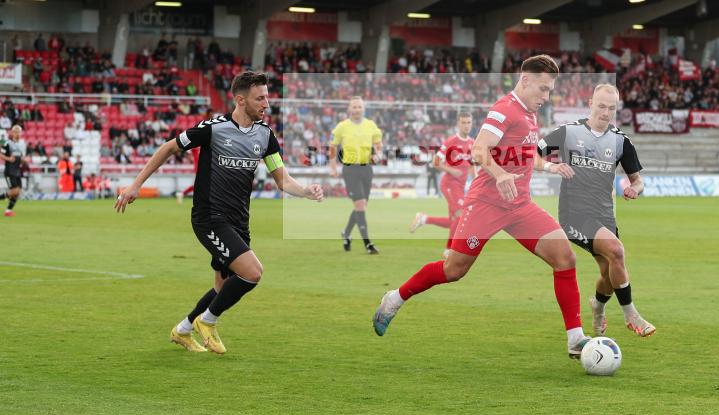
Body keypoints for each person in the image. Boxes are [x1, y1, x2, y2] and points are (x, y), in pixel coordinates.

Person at [373, 55, 592, 360]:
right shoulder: (504, 109)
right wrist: (500, 173)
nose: (546, 97)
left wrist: (551, 168)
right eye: (542, 89)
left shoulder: (530, 115)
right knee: (453, 270)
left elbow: (525, 157)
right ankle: (395, 298)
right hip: (486, 204)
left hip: (519, 206)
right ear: (525, 80)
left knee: (565, 257)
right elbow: (479, 149)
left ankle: (575, 338)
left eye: (549, 91)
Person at [115, 71, 324, 354]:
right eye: (259, 98)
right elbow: (168, 148)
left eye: (267, 96)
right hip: (209, 218)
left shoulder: (265, 135)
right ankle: (208, 321)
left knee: (222, 286)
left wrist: (306, 192)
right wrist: (135, 186)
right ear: (240, 100)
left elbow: (283, 180)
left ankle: (183, 329)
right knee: (252, 272)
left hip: (239, 221)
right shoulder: (213, 129)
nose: (266, 103)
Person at [536, 83, 656, 338]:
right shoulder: (568, 132)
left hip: (604, 216)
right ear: (590, 103)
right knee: (616, 251)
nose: (605, 112)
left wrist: (635, 188)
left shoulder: (621, 141)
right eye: (601, 106)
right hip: (574, 214)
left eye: (611, 108)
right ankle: (631, 314)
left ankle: (598, 306)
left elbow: (637, 179)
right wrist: (552, 167)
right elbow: (532, 155)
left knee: (609, 273)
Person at [409, 112, 475, 253]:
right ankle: (448, 250)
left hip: (460, 187)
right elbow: (435, 162)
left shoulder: (472, 143)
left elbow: (471, 165)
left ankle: (424, 219)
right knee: (460, 215)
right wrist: (451, 170)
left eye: (469, 122)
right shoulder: (451, 141)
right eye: (463, 122)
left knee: (453, 222)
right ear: (458, 124)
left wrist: (475, 182)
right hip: (449, 184)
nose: (466, 126)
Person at [329, 96, 383, 254]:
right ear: (349, 109)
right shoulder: (342, 127)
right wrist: (332, 167)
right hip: (350, 169)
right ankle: (368, 244)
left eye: (359, 107)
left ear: (363, 109)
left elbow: (379, 145)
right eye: (354, 107)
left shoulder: (371, 125)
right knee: (360, 205)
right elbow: (333, 147)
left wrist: (378, 154)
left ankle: (346, 233)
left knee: (361, 206)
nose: (357, 109)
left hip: (366, 169)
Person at [1, 125, 27, 217]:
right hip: (9, 170)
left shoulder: (22, 144)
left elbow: (20, 157)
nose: (17, 133)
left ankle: (8, 211)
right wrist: (9, 158)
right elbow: (1, 154)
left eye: (18, 131)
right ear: (12, 133)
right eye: (15, 131)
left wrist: (24, 160)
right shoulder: (7, 143)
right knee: (14, 191)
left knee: (18, 192)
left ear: (21, 133)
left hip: (17, 171)